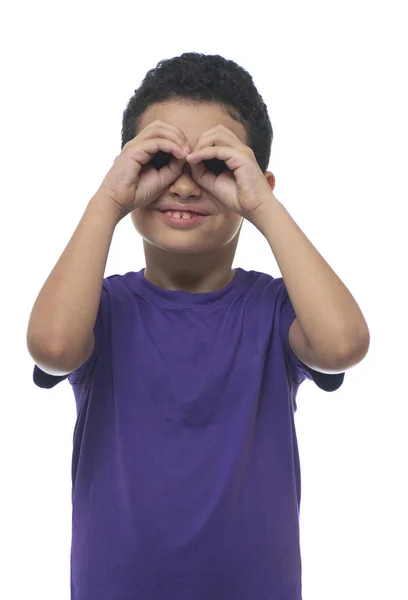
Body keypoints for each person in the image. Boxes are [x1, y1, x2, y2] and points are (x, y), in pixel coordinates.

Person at [27, 53, 369, 600]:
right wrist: (108, 201)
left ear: (256, 181)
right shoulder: (102, 306)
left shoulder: (276, 310)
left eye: (214, 166)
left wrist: (261, 204)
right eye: (160, 160)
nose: (184, 187)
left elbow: (343, 345)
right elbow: (53, 346)